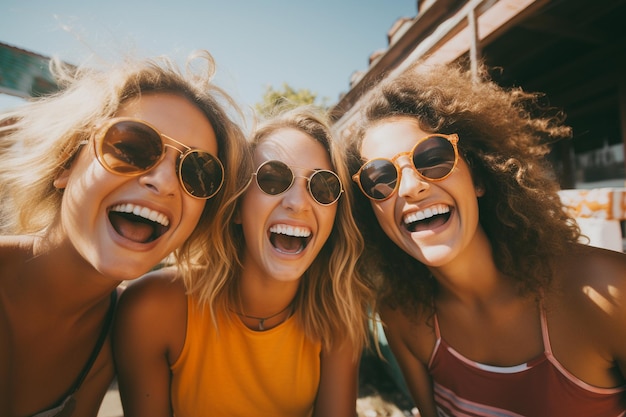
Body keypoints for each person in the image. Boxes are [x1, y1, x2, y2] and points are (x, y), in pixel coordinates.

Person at [346, 61, 626, 417]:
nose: (412, 187)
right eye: (379, 179)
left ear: (479, 178)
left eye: (433, 158)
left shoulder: (607, 291)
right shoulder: (404, 318)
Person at [0, 50, 249, 417]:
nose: (164, 182)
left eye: (198, 172)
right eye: (131, 146)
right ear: (67, 162)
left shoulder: (109, 338)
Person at [113, 105, 372, 417]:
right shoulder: (154, 309)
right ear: (236, 207)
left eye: (323, 187)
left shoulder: (337, 316)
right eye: (273, 179)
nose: (299, 203)